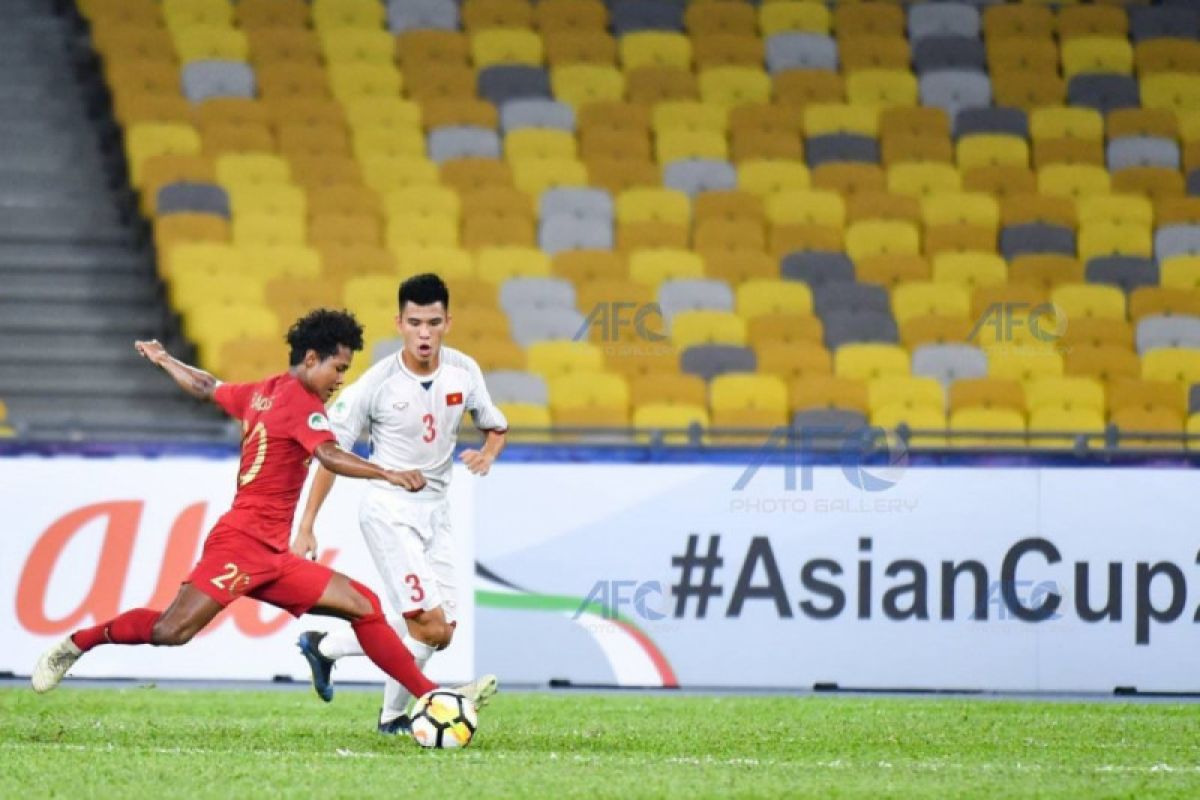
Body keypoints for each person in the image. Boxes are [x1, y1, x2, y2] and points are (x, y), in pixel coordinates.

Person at [31, 308, 495, 714]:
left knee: (364, 606)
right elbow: (329, 455)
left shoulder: (261, 392)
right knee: (171, 630)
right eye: (337, 368)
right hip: (241, 544)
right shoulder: (304, 406)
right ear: (311, 359)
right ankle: (77, 644)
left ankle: (431, 697)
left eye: (346, 371)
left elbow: (208, 385)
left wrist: (166, 360)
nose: (340, 380)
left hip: (273, 554)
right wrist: (388, 473)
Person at [293, 274, 507, 734]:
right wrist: (307, 523)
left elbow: (495, 425)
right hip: (389, 508)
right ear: (399, 323)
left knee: (440, 630)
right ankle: (390, 704)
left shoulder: (464, 372)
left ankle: (336, 659)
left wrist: (487, 454)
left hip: (438, 509)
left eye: (433, 322)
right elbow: (330, 454)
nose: (424, 333)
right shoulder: (377, 383)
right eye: (414, 323)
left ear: (448, 322)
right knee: (427, 625)